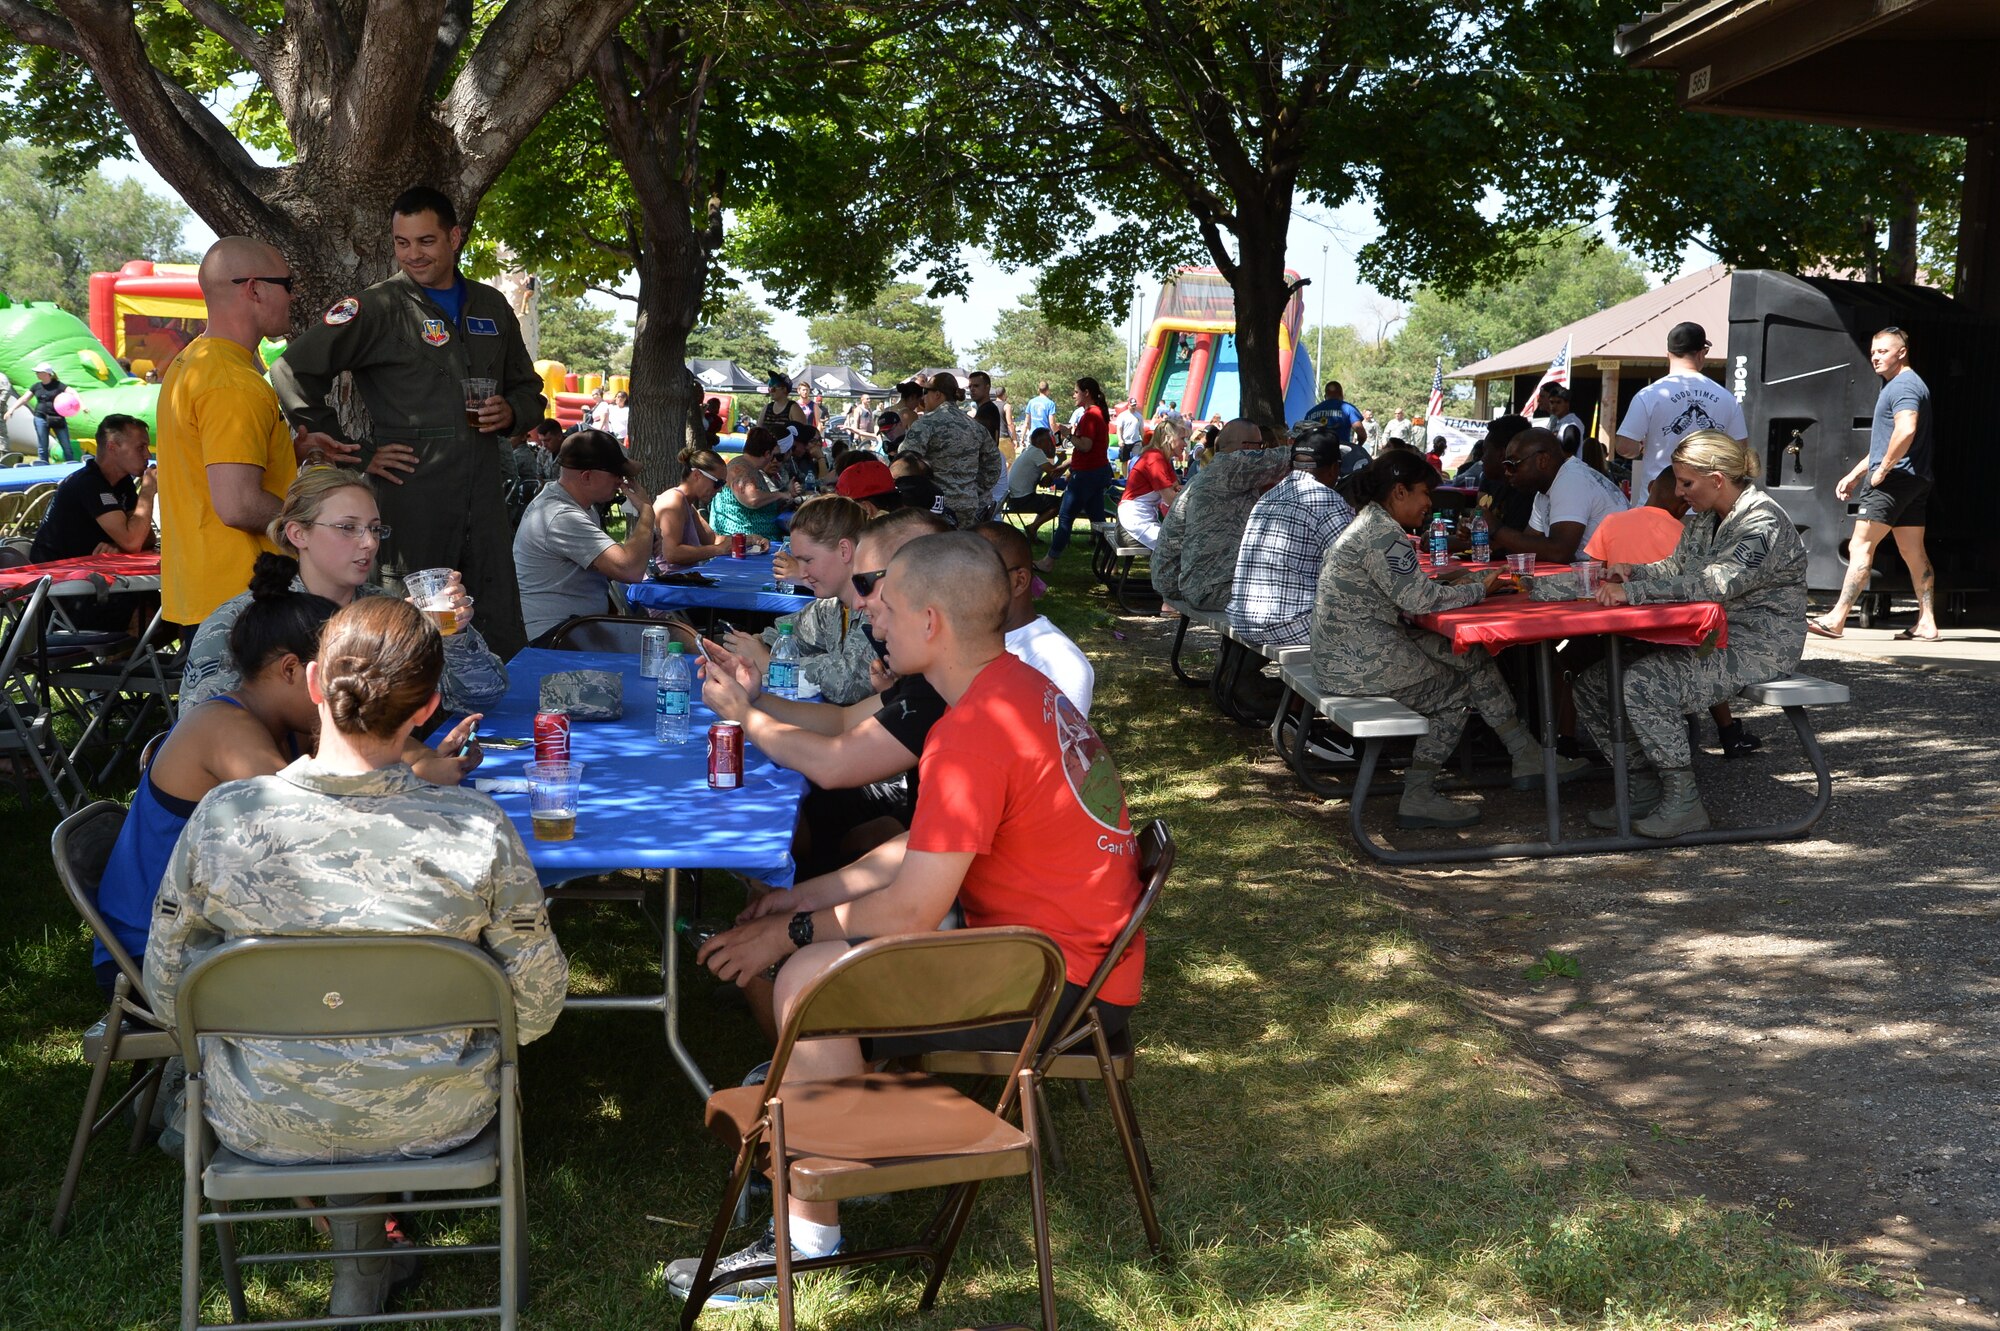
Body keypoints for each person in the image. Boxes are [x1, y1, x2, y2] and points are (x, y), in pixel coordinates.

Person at [675, 531, 1143, 1301]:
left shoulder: (972, 729)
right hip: (1071, 964)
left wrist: (789, 931)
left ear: (932, 622)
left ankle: (809, 1235)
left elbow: (911, 907)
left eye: (886, 605)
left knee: (810, 978)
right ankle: (840, 1148)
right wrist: (803, 896)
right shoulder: (1013, 688)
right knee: (812, 955)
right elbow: (918, 856)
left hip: (1059, 982)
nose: (873, 620)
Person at [143, 596, 566, 1321]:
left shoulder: (224, 819)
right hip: (438, 1113)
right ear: (430, 705)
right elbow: (537, 1007)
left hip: (263, 1114)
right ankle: (364, 1261)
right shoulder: (476, 829)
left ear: (312, 682)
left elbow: (166, 987)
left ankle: (362, 1264)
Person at [272, 185, 545, 657]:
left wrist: (513, 410)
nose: (413, 255)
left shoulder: (492, 306)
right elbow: (291, 371)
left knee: (494, 623)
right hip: (410, 496)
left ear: (455, 237)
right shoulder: (377, 307)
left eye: (426, 241)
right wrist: (355, 451)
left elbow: (528, 390)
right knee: (406, 632)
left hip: (484, 495)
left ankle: (501, 728)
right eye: (402, 243)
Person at [1311, 450, 1589, 829]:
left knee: (1468, 654)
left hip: (1350, 652)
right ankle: (1419, 794)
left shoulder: (1372, 524)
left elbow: (1408, 590)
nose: (1430, 503)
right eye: (1425, 492)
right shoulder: (1384, 535)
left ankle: (1526, 753)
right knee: (1456, 695)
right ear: (1399, 492)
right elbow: (1418, 600)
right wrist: (1479, 592)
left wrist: (1464, 585)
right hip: (1357, 664)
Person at [95, 566, 339, 993]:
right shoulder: (223, 727)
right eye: (336, 680)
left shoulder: (290, 724)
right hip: (156, 954)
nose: (343, 695)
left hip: (212, 929)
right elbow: (310, 825)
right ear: (290, 670)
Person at [1550, 430, 1806, 836]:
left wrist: (1631, 590)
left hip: (1757, 646)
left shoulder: (1762, 522)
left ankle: (1683, 801)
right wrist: (1632, 570)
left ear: (1717, 478)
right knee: (1595, 685)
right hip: (1710, 639)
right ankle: (1644, 789)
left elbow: (1716, 583)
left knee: (1644, 683)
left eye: (1687, 482)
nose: (1680, 491)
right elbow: (1676, 568)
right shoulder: (1708, 519)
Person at [183, 467, 507, 716]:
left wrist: (453, 636)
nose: (368, 542)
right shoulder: (238, 624)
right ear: (298, 534)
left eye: (375, 529)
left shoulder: (388, 611)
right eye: (348, 528)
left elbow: (481, 698)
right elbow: (203, 732)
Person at [158, 237, 328, 630]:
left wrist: (290, 452)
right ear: (254, 288)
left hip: (206, 595)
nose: (293, 296)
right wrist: (320, 525)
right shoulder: (231, 381)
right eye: (288, 284)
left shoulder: (191, 362)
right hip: (246, 604)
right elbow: (237, 504)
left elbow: (210, 468)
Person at [1580, 466, 1759, 759]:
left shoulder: (1612, 521)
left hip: (1619, 627)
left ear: (1650, 487)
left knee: (1583, 667)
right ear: (1681, 503)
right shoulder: (1684, 531)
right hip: (1677, 631)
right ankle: (1729, 732)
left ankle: (1564, 740)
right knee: (1706, 644)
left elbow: (1591, 573)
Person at [1809, 325, 1939, 641]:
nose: (1875, 358)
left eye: (1882, 351)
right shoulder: (1904, 384)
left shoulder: (1903, 386)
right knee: (1913, 551)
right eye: (1872, 352)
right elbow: (1885, 443)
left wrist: (1883, 470)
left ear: (1902, 352)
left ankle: (1837, 618)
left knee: (1860, 545)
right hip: (1915, 480)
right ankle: (1927, 622)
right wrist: (1855, 474)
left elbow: (1905, 431)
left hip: (1894, 480)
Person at [719, 496, 880, 705]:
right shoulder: (832, 606)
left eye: (808, 560)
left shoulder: (877, 606)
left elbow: (848, 682)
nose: (801, 573)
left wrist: (772, 664)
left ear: (844, 550)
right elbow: (786, 633)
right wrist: (751, 646)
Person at [510, 429, 656, 641]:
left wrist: (645, 544)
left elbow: (612, 564)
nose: (621, 481)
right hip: (554, 637)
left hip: (573, 628)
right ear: (586, 476)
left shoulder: (579, 506)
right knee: (665, 644)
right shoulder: (562, 516)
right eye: (616, 473)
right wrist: (647, 512)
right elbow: (630, 569)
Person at [1229, 430, 1354, 648]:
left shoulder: (1270, 496)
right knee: (1377, 620)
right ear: (1335, 467)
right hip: (1289, 624)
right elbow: (1355, 566)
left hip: (1243, 618)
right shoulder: (1327, 501)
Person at [1147, 418, 1287, 610]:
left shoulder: (1216, 471)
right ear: (1247, 447)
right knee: (1294, 593)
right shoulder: (1231, 466)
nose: (1263, 452)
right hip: (1202, 589)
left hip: (1174, 580)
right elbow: (1291, 458)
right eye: (1261, 446)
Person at [1613, 321, 1746, 507]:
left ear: (1668, 354)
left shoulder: (1649, 395)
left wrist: (1643, 448)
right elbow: (1739, 452)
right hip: (1708, 505)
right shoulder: (1727, 399)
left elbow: (1624, 446)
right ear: (1702, 353)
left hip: (1659, 502)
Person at [973, 521, 1094, 713]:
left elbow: (1062, 741)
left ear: (1019, 581)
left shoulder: (1058, 663)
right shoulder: (965, 641)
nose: (959, 588)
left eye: (975, 576)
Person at [30, 414, 156, 562]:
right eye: (141, 447)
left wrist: (119, 546)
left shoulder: (123, 481)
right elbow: (133, 542)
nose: (148, 455)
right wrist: (148, 491)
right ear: (112, 447)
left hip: (86, 571)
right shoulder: (89, 483)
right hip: (54, 574)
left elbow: (147, 537)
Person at [1491, 427, 1626, 565]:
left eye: (1512, 464)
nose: (1507, 473)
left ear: (1542, 460)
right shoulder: (1544, 493)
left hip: (1617, 576)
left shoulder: (1571, 480)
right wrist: (1483, 543)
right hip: (1598, 573)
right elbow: (1526, 546)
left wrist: (1497, 529)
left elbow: (1560, 552)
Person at [896, 372, 1000, 528]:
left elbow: (904, 462)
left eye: (926, 392)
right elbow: (994, 464)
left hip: (935, 506)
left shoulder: (926, 424)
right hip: (968, 505)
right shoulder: (975, 427)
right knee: (963, 549)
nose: (923, 398)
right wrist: (973, 488)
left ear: (937, 394)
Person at [1034, 377, 1115, 569]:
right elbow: (1090, 450)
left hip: (1086, 476)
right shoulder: (1097, 414)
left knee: (1065, 517)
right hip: (1096, 472)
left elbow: (1085, 446)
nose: (1073, 395)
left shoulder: (1090, 416)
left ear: (1086, 393)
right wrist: (1065, 466)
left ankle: (1049, 561)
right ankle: (1112, 563)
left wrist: (1067, 433)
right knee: (1098, 520)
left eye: (1076, 391)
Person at [652, 446, 733, 567]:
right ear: (697, 475)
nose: (720, 490)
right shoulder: (673, 501)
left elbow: (713, 540)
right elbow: (672, 553)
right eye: (718, 483)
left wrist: (747, 540)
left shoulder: (687, 504)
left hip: (685, 579)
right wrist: (718, 550)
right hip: (670, 582)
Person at [709, 427, 795, 539]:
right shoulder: (739, 468)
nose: (775, 460)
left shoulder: (752, 468)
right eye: (776, 455)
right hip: (741, 542)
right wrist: (781, 495)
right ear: (767, 454)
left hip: (760, 539)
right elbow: (752, 499)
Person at [1115, 428, 1180, 549]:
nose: (1185, 444)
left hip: (1139, 522)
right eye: (1182, 439)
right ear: (1169, 439)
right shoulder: (1155, 459)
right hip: (1132, 527)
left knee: (1184, 544)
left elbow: (1176, 488)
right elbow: (1171, 500)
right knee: (1180, 546)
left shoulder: (1163, 459)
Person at [1001, 426, 1064, 539]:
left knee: (1050, 503)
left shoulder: (1031, 451)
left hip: (1015, 498)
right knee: (1060, 503)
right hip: (1022, 499)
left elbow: (1045, 481)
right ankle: (1033, 527)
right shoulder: (1036, 452)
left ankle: (1033, 529)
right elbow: (1053, 471)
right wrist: (1061, 460)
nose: (1051, 443)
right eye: (1048, 440)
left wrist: (1053, 458)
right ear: (1039, 442)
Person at [10, 362, 76, 464]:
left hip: (57, 418)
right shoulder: (36, 386)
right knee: (42, 446)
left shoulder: (58, 385)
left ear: (46, 373)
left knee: (66, 445)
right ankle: (43, 465)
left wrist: (81, 405)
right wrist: (12, 409)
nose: (36, 374)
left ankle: (71, 464)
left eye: (38, 372)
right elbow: (24, 399)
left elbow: (72, 392)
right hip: (40, 418)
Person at [1299, 380, 1363, 447]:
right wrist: (1358, 446)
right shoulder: (1349, 409)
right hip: (1341, 453)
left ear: (1325, 396)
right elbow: (1361, 433)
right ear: (1341, 395)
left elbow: (1304, 436)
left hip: (1317, 452)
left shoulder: (1311, 413)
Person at [1536, 383, 1585, 456]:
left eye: (1558, 402)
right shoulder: (1558, 421)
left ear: (1567, 403)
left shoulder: (1571, 424)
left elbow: (1569, 454)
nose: (1554, 406)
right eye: (1552, 402)